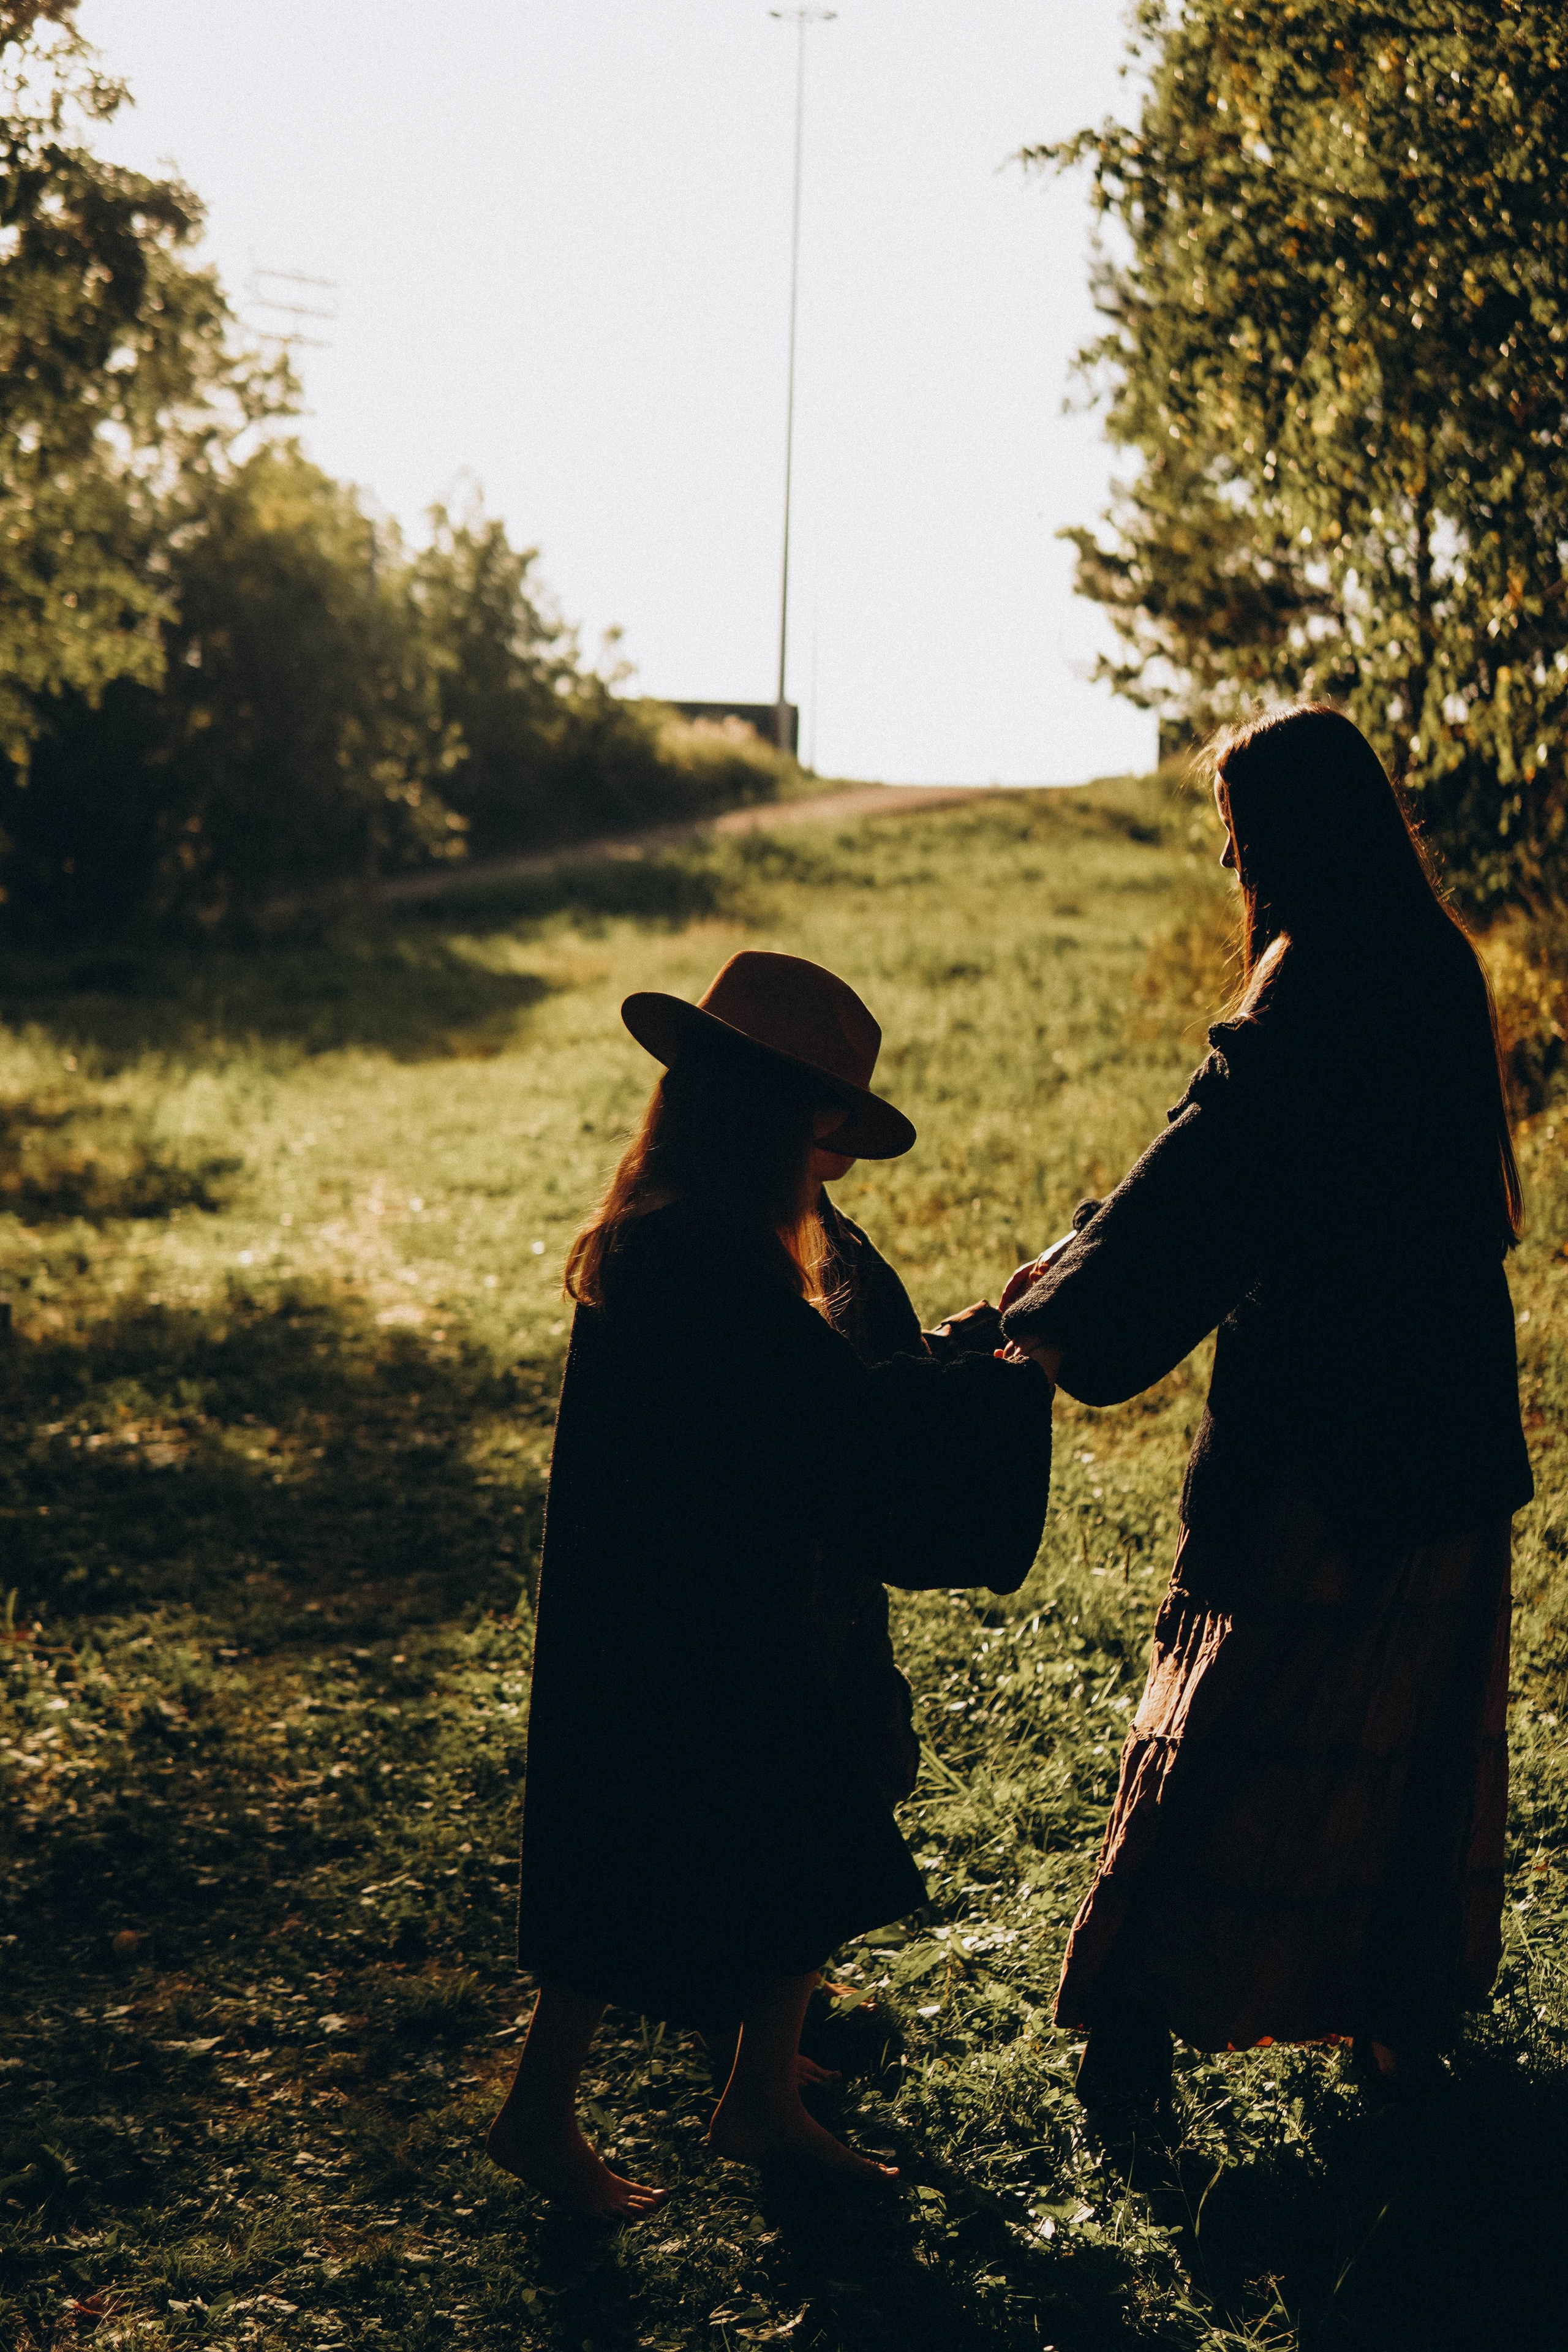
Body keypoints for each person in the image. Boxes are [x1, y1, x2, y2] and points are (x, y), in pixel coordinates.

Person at [999, 703, 1532, 2107]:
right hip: (1450, 1418)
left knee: (1233, 1716)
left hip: (1324, 1429)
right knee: (1409, 1731)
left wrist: (1050, 1319)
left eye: (1238, 834)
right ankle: (1390, 2022)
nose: (1233, 861)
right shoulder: (1433, 959)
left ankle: (1131, 2019)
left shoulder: (1310, 980)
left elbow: (1204, 1175)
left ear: (1285, 834)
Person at [488, 950, 1054, 2217]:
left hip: (673, 1604)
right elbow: (833, 1420)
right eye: (821, 1122)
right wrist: (1009, 1376)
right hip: (696, 1621)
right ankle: (602, 2111)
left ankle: (740, 2096)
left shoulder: (677, 1224)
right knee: (762, 1829)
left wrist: (958, 1343)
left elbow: (818, 1388)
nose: (827, 1153)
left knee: (750, 1835)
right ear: (781, 1114)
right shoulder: (707, 1256)